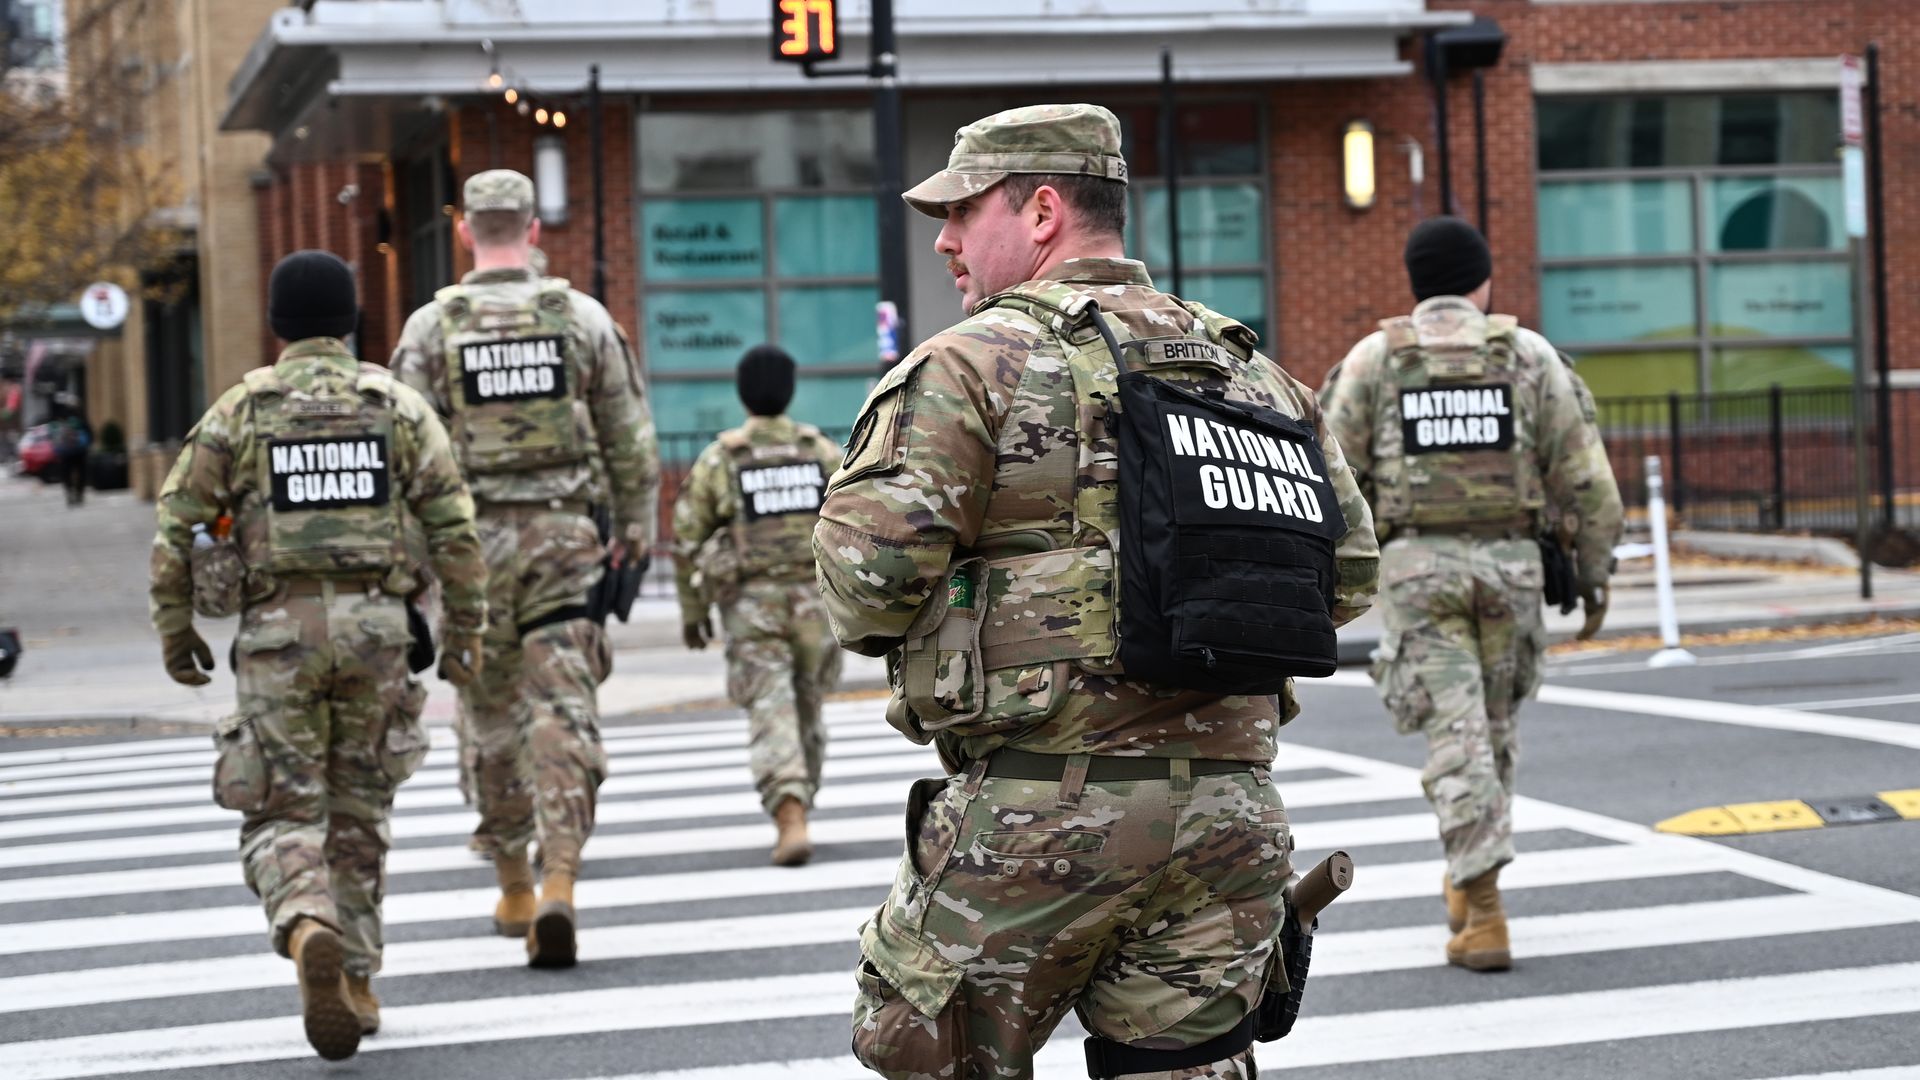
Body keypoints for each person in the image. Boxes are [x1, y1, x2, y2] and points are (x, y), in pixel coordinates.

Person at [814, 104, 1379, 1079]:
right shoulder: (1255, 376)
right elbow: (1351, 574)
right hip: (1227, 827)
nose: (945, 239)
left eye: (963, 210)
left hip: (1038, 826)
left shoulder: (967, 369)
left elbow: (866, 588)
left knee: (922, 1052)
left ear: (1040, 211)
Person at [149, 250, 487, 1060]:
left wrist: (176, 629)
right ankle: (360, 982)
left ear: (275, 323)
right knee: (362, 807)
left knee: (282, 806)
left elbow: (175, 525)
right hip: (378, 631)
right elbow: (455, 528)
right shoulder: (396, 407)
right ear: (352, 321)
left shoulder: (242, 410)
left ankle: (307, 924)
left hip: (277, 637)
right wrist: (466, 634)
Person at [1318, 216, 1624, 972]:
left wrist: (1336, 583)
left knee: (1458, 738)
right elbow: (1589, 483)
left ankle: (1482, 907)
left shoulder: (1375, 361)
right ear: (1482, 281)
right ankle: (1470, 877)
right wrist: (1591, 576)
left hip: (1420, 571)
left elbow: (1329, 481)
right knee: (1492, 733)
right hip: (1512, 570)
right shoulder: (1527, 356)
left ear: (1415, 283)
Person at [391, 169, 661, 968]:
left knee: (489, 712)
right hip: (562, 546)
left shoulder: (430, 329)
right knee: (563, 709)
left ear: (467, 232)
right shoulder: (578, 318)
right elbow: (629, 435)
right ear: (534, 230)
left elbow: (406, 455)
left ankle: (510, 879)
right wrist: (635, 535)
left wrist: (412, 569)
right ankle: (561, 881)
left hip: (469, 552)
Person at [671, 344, 843, 866]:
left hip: (752, 605)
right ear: (790, 391)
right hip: (815, 602)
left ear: (742, 396)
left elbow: (686, 537)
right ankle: (800, 801)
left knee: (771, 705)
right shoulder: (821, 454)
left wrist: (693, 609)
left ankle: (789, 809)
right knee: (808, 705)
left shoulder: (725, 458)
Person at [50, 393, 91, 506]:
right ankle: (79, 493)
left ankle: (69, 491)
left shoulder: (59, 416)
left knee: (65, 473)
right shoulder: (79, 415)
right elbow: (88, 429)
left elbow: (54, 431)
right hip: (80, 450)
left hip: (65, 451)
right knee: (81, 472)